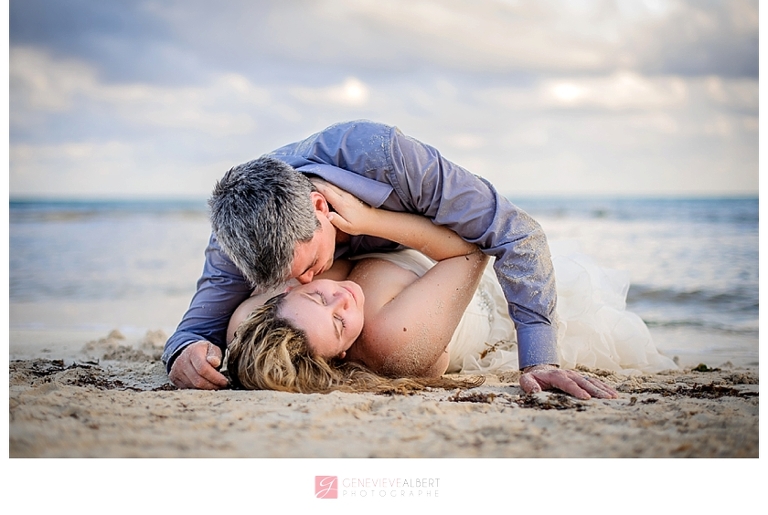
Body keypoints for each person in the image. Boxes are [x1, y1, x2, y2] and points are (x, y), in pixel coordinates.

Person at [163, 120, 593, 397]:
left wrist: (539, 359)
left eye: (309, 267)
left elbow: (516, 233)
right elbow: (198, 323)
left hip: (434, 258)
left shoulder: (388, 160)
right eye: (290, 282)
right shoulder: (237, 235)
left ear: (319, 207)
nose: (306, 281)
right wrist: (184, 353)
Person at [225, 191, 621, 398]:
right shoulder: (391, 337)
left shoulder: (259, 323)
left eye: (316, 297)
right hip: (478, 292)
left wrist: (191, 343)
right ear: (342, 354)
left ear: (284, 295)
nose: (342, 298)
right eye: (340, 322)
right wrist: (372, 221)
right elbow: (472, 249)